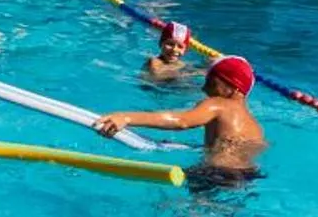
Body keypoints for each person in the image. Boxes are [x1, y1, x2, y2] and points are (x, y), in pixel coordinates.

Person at [94, 55, 268, 179]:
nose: (204, 90)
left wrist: (127, 117)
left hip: (217, 172)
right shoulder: (254, 125)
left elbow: (181, 121)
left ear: (233, 87)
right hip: (249, 175)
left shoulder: (219, 104)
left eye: (211, 83)